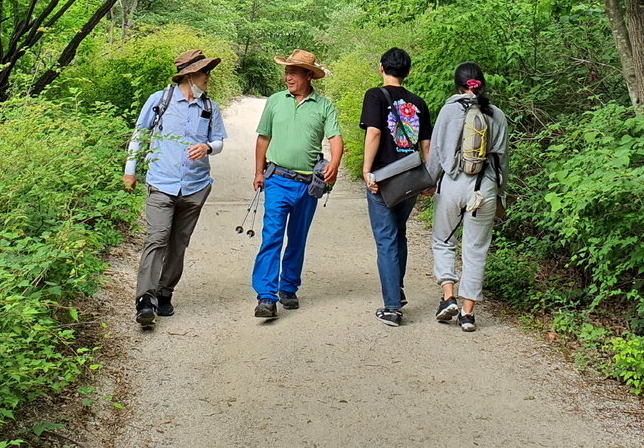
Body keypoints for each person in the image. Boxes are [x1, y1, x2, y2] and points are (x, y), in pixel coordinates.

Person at [123, 49, 227, 328]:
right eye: (205, 72)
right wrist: (130, 172)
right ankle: (145, 300)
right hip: (161, 182)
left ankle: (164, 292)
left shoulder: (209, 107)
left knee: (178, 243)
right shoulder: (160, 101)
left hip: (195, 186)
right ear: (190, 74)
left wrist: (207, 147)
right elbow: (139, 135)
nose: (208, 77)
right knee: (157, 238)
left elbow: (218, 142)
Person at [250, 48, 343, 319]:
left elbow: (336, 138)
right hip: (277, 179)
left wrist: (335, 164)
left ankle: (288, 287)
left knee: (297, 239)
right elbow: (263, 138)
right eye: (286, 71)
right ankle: (266, 296)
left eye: (293, 72)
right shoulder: (275, 101)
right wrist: (258, 171)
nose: (288, 76)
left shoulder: (323, 105)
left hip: (307, 184)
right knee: (272, 236)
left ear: (308, 76)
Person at [428, 61, 509, 332]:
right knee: (475, 249)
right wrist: (501, 190)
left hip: (452, 184)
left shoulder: (449, 110)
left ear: (457, 84)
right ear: (482, 84)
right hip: (483, 188)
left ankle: (448, 296)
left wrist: (429, 181)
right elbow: (502, 159)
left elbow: (437, 152)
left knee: (443, 240)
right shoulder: (496, 114)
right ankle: (467, 314)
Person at [360, 47, 432, 326]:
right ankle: (397, 289)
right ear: (408, 72)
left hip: (384, 179)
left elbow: (375, 132)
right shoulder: (419, 102)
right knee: (398, 234)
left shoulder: (375, 95)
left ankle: (392, 307)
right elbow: (426, 144)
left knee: (386, 238)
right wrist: (430, 178)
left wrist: (367, 170)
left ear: (381, 68)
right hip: (411, 178)